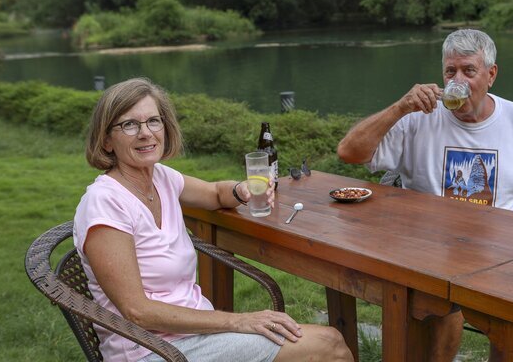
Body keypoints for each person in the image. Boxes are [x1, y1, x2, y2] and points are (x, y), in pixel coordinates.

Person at [74, 78, 353, 362]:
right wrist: (238, 321)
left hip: (194, 334)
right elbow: (138, 312)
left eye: (153, 121)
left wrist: (241, 190)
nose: (145, 133)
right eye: (129, 125)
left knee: (326, 342)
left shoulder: (161, 178)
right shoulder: (105, 203)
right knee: (329, 346)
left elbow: (216, 194)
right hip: (151, 350)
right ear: (106, 140)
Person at [337, 29, 513, 361]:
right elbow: (350, 152)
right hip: (428, 252)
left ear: (491, 75)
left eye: (469, 70)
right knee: (439, 306)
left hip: (501, 254)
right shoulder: (418, 116)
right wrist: (400, 107)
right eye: (450, 71)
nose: (458, 80)